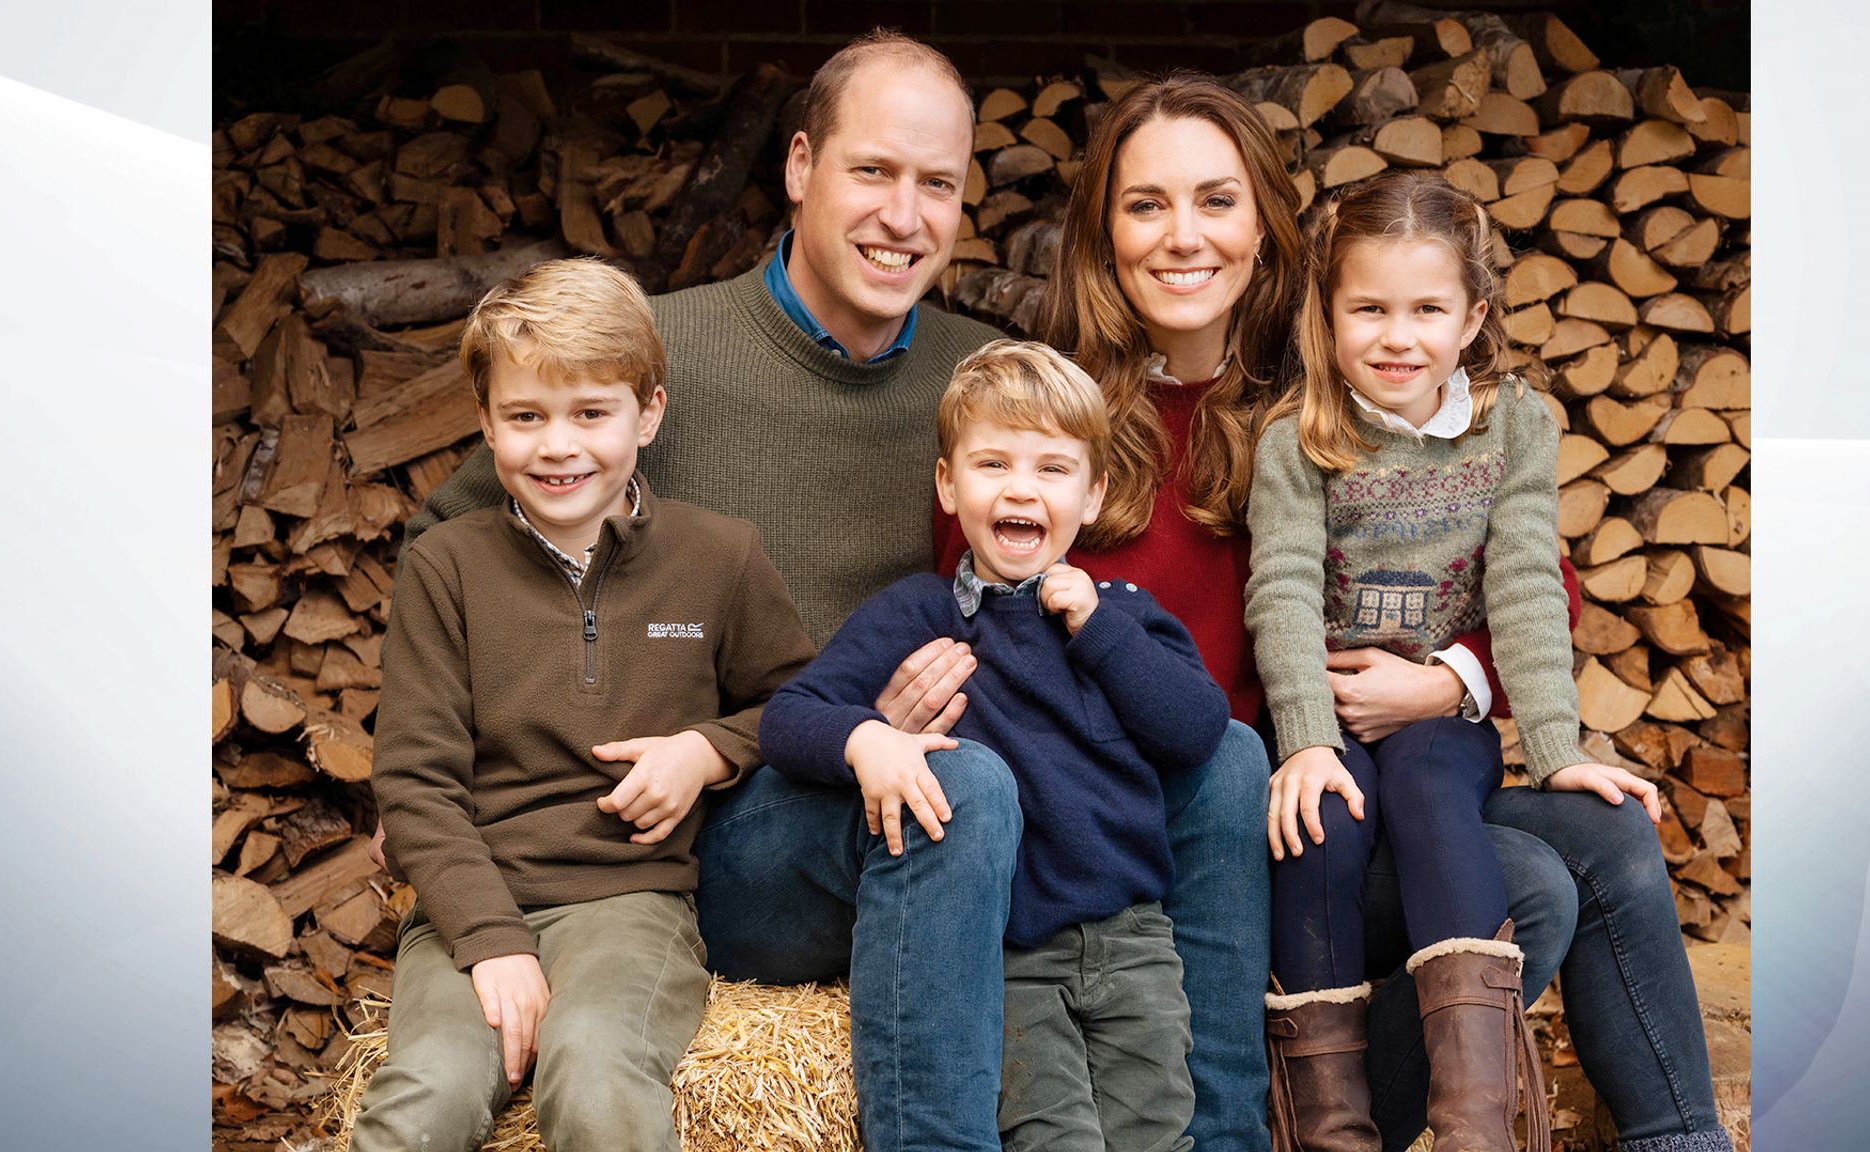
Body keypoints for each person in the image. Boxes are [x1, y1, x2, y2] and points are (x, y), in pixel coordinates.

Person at [387, 32, 1271, 1152]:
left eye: (935, 185)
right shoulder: (660, 358)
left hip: (934, 793)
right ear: (799, 165)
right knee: (972, 791)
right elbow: (456, 543)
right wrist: (578, 755)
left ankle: (1226, 1135)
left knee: (1224, 759)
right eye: (871, 172)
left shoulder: (976, 374)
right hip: (729, 835)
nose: (902, 216)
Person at [928, 73, 1584, 1152]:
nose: (1181, 237)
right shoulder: (1043, 418)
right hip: (1139, 829)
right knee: (1505, 874)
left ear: (1265, 229)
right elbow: (980, 605)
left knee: (1558, 870)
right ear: (1101, 234)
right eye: (1145, 205)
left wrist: (1446, 680)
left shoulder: (1335, 384)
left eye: (1214, 201)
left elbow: (1532, 581)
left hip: (1315, 800)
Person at [1244, 171, 1667, 1151]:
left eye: (1426, 309)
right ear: (1327, 311)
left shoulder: (1512, 425)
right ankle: (1327, 1128)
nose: (1397, 336)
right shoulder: (1297, 437)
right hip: (1326, 716)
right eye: (1368, 309)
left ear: (1472, 316)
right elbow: (1281, 589)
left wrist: (1555, 748)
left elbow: (1522, 581)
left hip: (1441, 719)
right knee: (1320, 827)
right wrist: (1304, 741)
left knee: (1436, 795)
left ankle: (1472, 1123)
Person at [351, 258, 816, 1152]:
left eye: (590, 413)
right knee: (424, 1097)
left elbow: (797, 701)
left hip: (631, 904)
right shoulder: (446, 567)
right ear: (485, 424)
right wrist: (492, 942)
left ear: (649, 414)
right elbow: (412, 784)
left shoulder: (719, 557)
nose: (558, 446)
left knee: (596, 1068)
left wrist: (708, 749)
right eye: (526, 417)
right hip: (469, 904)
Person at [765, 340, 1227, 1152]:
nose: (1021, 488)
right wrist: (867, 737)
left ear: (1093, 496)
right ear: (949, 486)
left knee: (1157, 1133)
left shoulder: (1124, 615)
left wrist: (1096, 628)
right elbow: (790, 717)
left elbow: (1195, 732)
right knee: (1055, 1138)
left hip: (1135, 943)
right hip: (1013, 951)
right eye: (992, 464)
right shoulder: (918, 614)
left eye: (1053, 469)